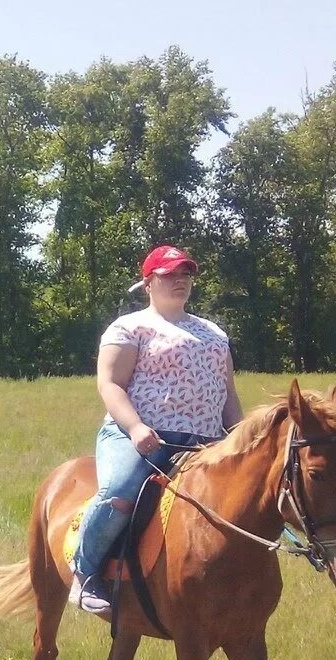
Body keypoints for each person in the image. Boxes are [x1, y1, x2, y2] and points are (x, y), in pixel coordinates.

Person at [71, 245, 243, 616]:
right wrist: (135, 428)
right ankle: (84, 574)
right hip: (143, 438)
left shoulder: (214, 333)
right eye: (169, 275)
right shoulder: (129, 327)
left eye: (185, 274)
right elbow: (110, 385)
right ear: (148, 283)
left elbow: (227, 392)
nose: (179, 281)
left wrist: (241, 438)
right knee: (120, 490)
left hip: (206, 442)